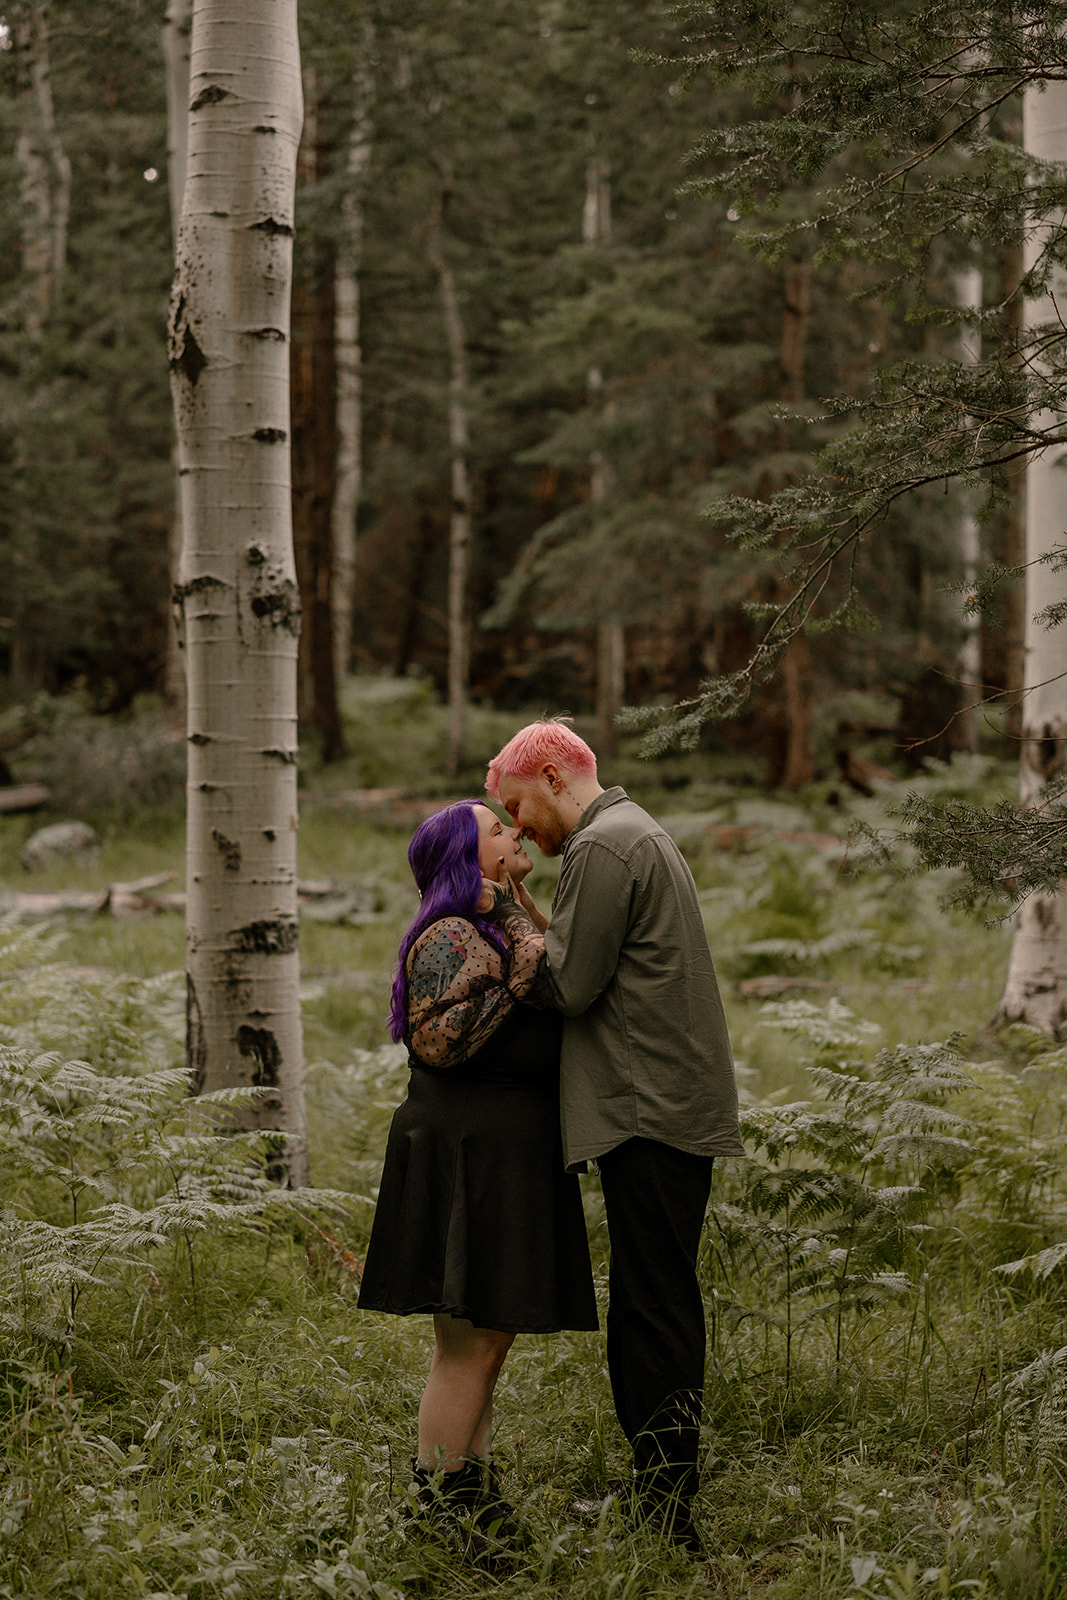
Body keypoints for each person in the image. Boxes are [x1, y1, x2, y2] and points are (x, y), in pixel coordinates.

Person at [485, 719, 745, 1555]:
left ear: (556, 775)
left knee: (653, 1307)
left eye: (519, 807)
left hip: (649, 1107)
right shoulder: (638, 833)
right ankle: (658, 1496)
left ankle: (668, 1514)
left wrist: (499, 938)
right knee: (652, 1298)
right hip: (667, 1103)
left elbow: (566, 984)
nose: (520, 828)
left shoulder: (603, 847)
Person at [357, 798, 598, 1549]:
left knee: (487, 1341)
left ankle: (473, 1488)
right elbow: (440, 1042)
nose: (516, 832)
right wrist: (521, 925)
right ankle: (438, 1508)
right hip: (464, 1152)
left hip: (502, 1150)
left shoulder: (491, 925)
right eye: (499, 829)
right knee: (468, 1344)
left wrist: (520, 914)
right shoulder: (452, 932)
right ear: (473, 861)